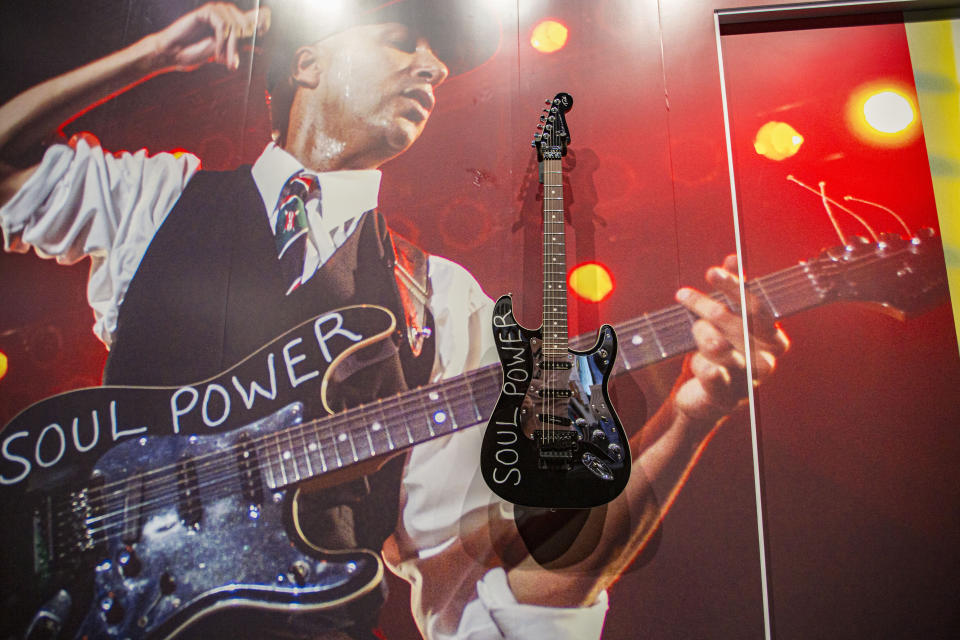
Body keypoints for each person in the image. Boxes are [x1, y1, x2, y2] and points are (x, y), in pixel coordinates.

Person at [0, 1, 789, 639]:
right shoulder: (159, 199)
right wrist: (156, 55)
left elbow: (501, 589)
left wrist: (694, 413)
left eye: (438, 63)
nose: (433, 68)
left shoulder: (443, 303)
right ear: (307, 60)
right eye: (401, 41)